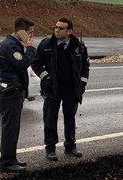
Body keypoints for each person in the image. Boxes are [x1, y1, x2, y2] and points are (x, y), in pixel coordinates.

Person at [31, 18, 90, 161]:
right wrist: (46, 78)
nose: (56, 30)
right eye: (56, 27)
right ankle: (50, 149)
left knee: (70, 118)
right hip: (52, 89)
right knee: (50, 118)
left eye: (61, 28)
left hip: (71, 89)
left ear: (69, 31)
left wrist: (81, 85)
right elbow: (36, 63)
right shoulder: (46, 44)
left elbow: (85, 68)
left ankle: (70, 146)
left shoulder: (79, 46)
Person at [0, 17, 38, 173]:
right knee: (10, 129)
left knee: (13, 128)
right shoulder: (10, 46)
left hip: (14, 91)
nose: (31, 36)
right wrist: (31, 48)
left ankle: (11, 159)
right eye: (30, 32)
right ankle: (6, 163)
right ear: (21, 31)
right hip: (10, 93)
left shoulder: (12, 44)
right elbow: (22, 64)